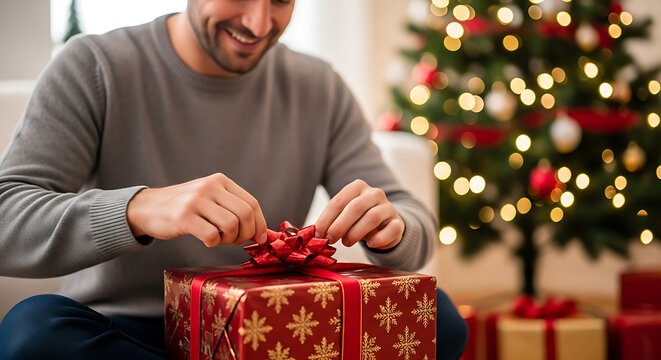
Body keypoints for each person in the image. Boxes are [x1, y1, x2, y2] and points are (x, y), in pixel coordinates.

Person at [0, 0, 467, 358]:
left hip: (277, 329)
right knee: (33, 332)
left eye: (281, 0)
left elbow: (413, 225)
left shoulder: (318, 86)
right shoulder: (95, 66)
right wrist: (140, 208)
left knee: (438, 317)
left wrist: (392, 230)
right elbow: (7, 218)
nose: (259, 25)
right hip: (130, 333)